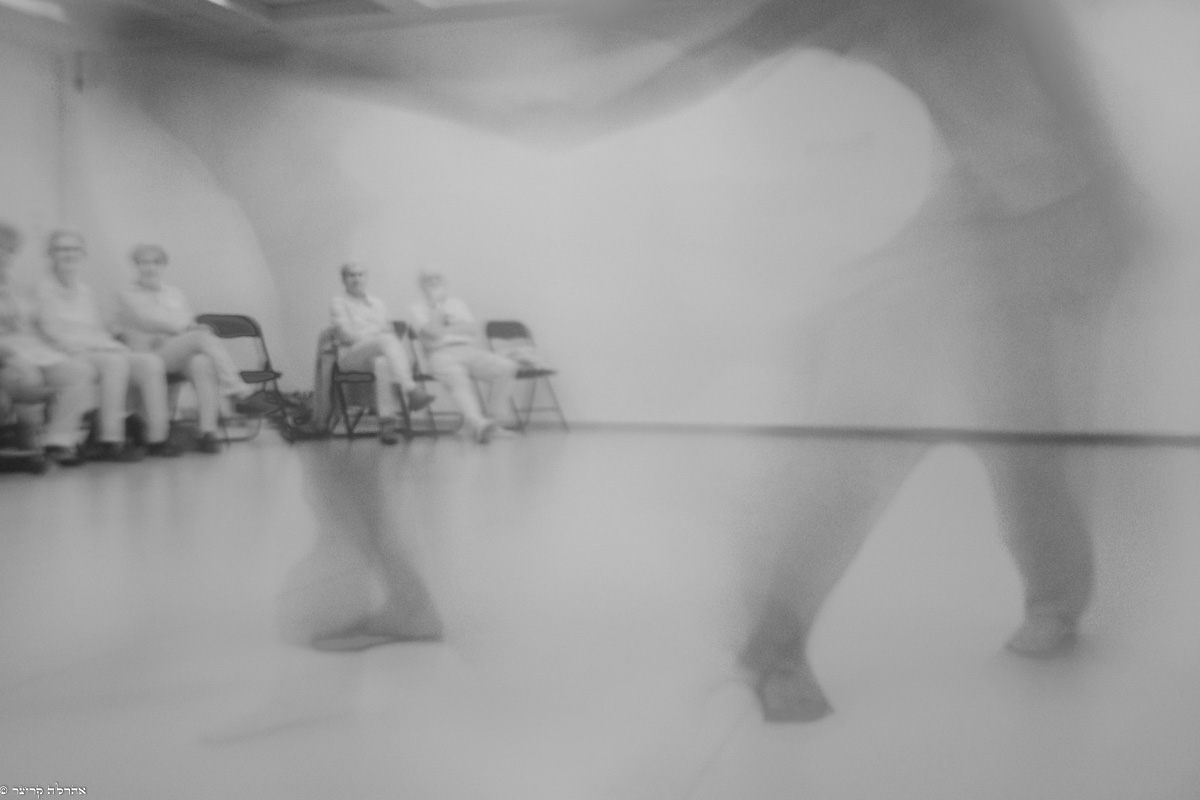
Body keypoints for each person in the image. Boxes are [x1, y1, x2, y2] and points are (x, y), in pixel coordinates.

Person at [33, 230, 179, 461]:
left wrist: (111, 344)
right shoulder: (41, 289)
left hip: (94, 350)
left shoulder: (85, 290)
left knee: (150, 362)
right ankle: (110, 439)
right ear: (51, 254)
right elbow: (52, 333)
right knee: (114, 363)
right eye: (62, 249)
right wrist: (100, 347)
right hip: (65, 353)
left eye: (74, 249)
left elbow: (97, 329)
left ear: (82, 254)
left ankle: (157, 437)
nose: (69, 254)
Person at [116, 244, 270, 454]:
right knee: (201, 336)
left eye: (155, 262)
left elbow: (186, 319)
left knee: (202, 363)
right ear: (136, 265)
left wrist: (189, 328)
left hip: (176, 351)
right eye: (144, 262)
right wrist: (188, 328)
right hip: (148, 357)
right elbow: (149, 320)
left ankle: (207, 432)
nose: (150, 267)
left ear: (163, 266)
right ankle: (237, 392)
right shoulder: (127, 294)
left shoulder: (174, 293)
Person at [0, 221, 94, 465]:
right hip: (6, 356)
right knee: (27, 377)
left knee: (78, 372)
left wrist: (55, 347)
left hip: (30, 350)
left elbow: (34, 324)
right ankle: (26, 438)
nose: (4, 256)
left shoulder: (17, 286)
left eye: (9, 250)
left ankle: (58, 441)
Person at [330, 263, 435, 445]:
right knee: (385, 340)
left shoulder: (378, 303)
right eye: (351, 275)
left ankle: (387, 424)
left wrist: (375, 334)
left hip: (376, 353)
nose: (356, 279)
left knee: (383, 364)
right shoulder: (339, 303)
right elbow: (348, 335)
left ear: (366, 278)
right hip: (351, 356)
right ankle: (411, 389)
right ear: (344, 279)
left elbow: (387, 330)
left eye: (360, 274)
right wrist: (375, 333)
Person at [409, 271, 517, 443]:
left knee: (507, 367)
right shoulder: (416, 308)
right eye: (429, 280)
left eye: (437, 279)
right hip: (439, 354)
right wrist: (437, 307)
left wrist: (442, 328)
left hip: (467, 350)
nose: (434, 283)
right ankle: (478, 424)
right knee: (459, 381)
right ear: (422, 286)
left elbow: (472, 329)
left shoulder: (456, 303)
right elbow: (433, 332)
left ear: (444, 282)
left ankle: (493, 423)